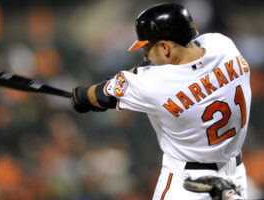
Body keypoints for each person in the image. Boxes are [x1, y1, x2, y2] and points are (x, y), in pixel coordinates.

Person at [71, 2, 251, 200]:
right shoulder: (223, 45)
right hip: (234, 175)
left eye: (147, 47)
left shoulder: (152, 85)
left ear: (165, 47)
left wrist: (80, 97)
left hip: (187, 183)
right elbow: (154, 70)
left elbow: (96, 96)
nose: (145, 55)